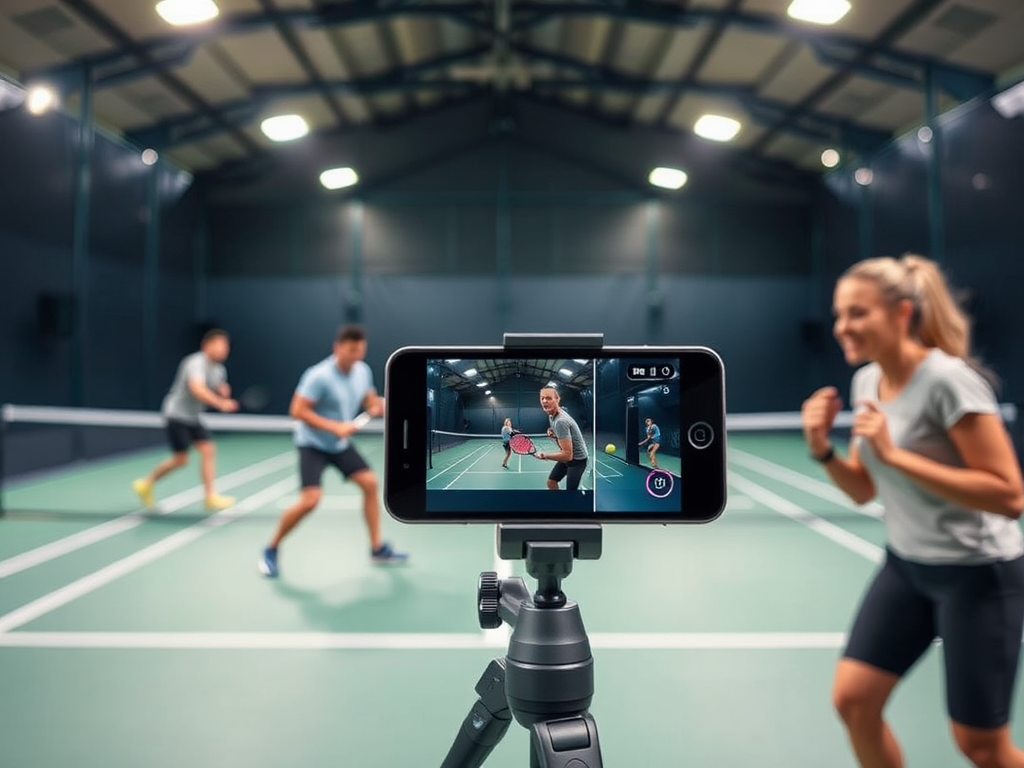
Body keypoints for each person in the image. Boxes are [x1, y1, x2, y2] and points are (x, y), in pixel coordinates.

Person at [801, 254, 1024, 768]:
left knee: (981, 747)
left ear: (902, 313)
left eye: (859, 313)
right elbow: (861, 489)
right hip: (908, 566)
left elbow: (1008, 495)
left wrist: (899, 457)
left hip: (977, 574)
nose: (843, 327)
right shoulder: (866, 383)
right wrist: (820, 447)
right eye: (839, 314)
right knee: (854, 701)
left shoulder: (949, 381)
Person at [259, 325, 407, 578]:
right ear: (337, 348)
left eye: (360, 351)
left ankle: (377, 548)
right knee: (310, 500)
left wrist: (377, 405)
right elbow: (297, 410)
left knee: (370, 484)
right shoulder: (318, 376)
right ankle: (270, 549)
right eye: (351, 351)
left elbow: (368, 400)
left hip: (339, 444)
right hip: (313, 444)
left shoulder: (362, 370)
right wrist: (333, 426)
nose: (356, 356)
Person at [132, 329, 238, 511]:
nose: (223, 350)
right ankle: (145, 483)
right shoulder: (195, 362)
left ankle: (210, 497)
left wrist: (222, 390)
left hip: (193, 416)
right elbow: (197, 389)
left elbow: (217, 386)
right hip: (176, 414)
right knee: (181, 459)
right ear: (206, 345)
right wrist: (221, 402)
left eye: (226, 346)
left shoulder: (220, 369)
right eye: (219, 345)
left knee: (208, 450)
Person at [536, 386, 589, 490]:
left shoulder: (561, 421)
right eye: (542, 398)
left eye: (548, 398)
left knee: (570, 493)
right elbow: (563, 447)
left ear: (557, 399)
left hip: (577, 460)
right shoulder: (551, 416)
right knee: (551, 483)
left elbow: (567, 455)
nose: (544, 401)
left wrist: (545, 456)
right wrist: (555, 436)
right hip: (568, 457)